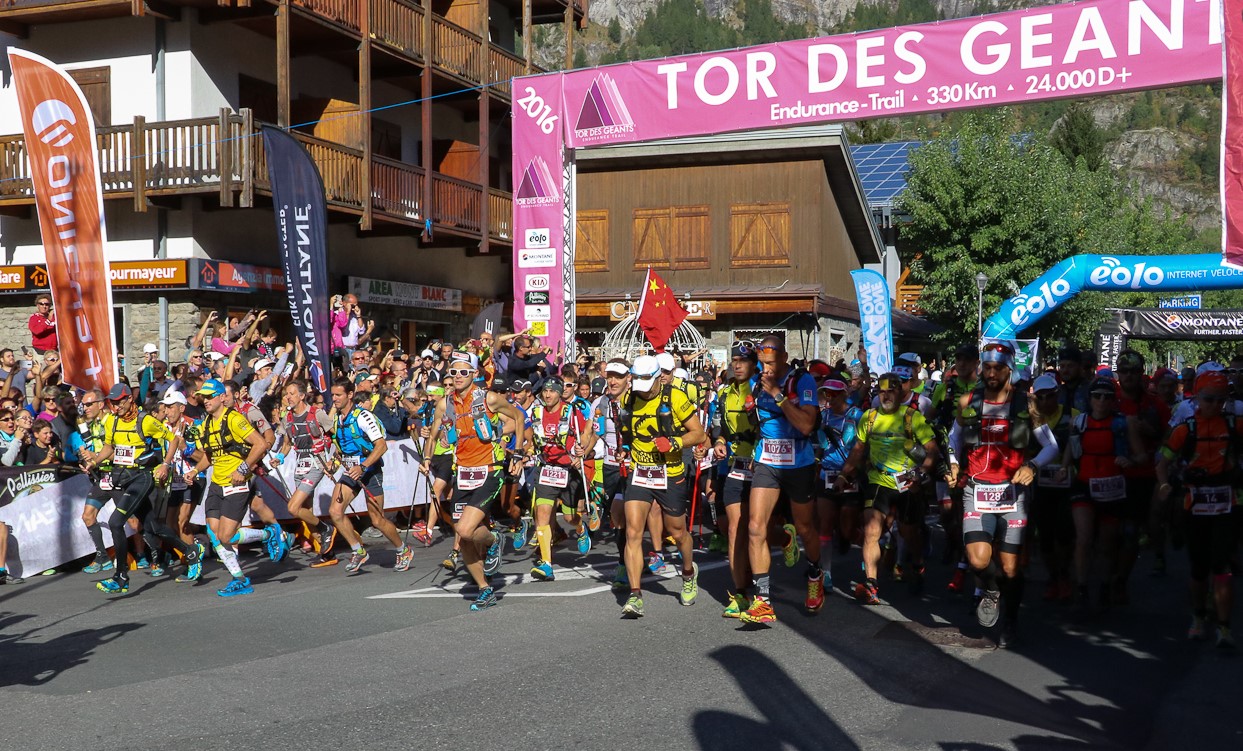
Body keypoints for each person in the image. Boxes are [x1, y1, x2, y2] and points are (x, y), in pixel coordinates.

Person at [950, 342, 1060, 647]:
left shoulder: (1026, 404)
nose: (991, 373)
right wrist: (954, 462)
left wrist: (1033, 466)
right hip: (977, 490)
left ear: (1009, 370)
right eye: (987, 367)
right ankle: (991, 589)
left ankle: (1010, 621)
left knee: (1011, 567)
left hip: (1012, 494)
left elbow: (1051, 446)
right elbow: (953, 438)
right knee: (978, 560)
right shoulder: (968, 401)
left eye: (998, 368)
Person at [421, 352, 527, 611]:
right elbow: (433, 435)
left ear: (474, 374)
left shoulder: (489, 398)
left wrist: (517, 452)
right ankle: (484, 589)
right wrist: (427, 458)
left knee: (467, 530)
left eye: (463, 372)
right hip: (463, 473)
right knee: (463, 535)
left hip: (489, 471)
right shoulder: (445, 404)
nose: (457, 377)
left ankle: (494, 540)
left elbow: (519, 418)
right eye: (453, 372)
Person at [617, 355, 706, 619]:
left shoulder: (676, 397)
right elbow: (628, 431)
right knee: (633, 531)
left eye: (647, 386)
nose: (643, 392)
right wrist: (624, 449)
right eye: (639, 386)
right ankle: (635, 595)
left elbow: (699, 434)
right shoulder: (628, 398)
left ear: (658, 378)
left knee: (677, 531)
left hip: (670, 473)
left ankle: (688, 572)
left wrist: (674, 443)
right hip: (640, 472)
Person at [839, 373, 940, 606]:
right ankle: (871, 584)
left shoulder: (912, 417)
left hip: (908, 482)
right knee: (871, 530)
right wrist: (844, 474)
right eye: (881, 391)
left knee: (908, 533)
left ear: (899, 393)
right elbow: (858, 449)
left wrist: (921, 474)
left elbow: (932, 450)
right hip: (878, 481)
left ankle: (917, 564)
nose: (885, 396)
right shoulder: (869, 417)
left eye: (890, 391)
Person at [1156, 369, 1237, 649]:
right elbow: (1162, 462)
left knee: (1222, 565)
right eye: (1209, 399)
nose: (1215, 405)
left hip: (1227, 504)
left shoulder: (1235, 425)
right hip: (1195, 505)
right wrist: (1164, 485)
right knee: (1200, 568)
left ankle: (1224, 628)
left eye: (1221, 400)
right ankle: (1199, 617)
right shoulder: (1185, 429)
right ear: (1197, 399)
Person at [82, 383, 182, 595]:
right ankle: (190, 551)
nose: (116, 406)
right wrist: (94, 462)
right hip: (121, 477)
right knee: (152, 525)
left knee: (116, 522)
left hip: (143, 477)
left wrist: (165, 464)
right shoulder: (112, 421)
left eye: (120, 402)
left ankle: (121, 576)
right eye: (113, 402)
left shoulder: (145, 420)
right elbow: (109, 448)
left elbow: (173, 439)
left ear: (129, 399)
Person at [182, 378, 276, 597]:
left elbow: (260, 444)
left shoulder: (234, 419)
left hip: (236, 484)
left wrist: (242, 469)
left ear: (222, 397)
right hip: (217, 484)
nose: (206, 401)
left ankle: (268, 534)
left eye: (210, 397)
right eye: (203, 397)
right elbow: (209, 455)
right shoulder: (206, 423)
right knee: (214, 534)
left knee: (226, 536)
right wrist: (195, 471)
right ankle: (239, 578)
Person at [1060, 376, 1143, 614]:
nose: (1102, 401)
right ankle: (1082, 588)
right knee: (1084, 538)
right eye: (1097, 396)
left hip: (1113, 488)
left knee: (1107, 544)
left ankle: (1106, 585)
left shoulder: (1124, 423)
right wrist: (1064, 467)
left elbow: (1142, 456)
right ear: (1090, 398)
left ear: (1113, 400)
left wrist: (1130, 461)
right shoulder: (1079, 422)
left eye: (1107, 397)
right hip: (1084, 486)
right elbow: (1071, 447)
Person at [326, 378, 413, 573]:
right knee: (335, 511)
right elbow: (342, 448)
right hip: (351, 471)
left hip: (370, 471)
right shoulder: (337, 418)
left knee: (377, 520)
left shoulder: (363, 416)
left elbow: (381, 446)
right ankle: (358, 550)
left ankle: (403, 549)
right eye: (333, 395)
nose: (334, 399)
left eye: (338, 395)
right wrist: (334, 463)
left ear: (350, 395)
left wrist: (363, 467)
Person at [527, 375, 596, 581]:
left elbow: (588, 434)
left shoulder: (571, 412)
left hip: (569, 469)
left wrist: (581, 451)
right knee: (542, 514)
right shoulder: (537, 412)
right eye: (545, 391)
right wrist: (527, 451)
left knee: (569, 518)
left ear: (559, 393)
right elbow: (531, 439)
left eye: (552, 391)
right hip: (547, 469)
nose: (548, 395)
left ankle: (580, 528)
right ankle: (547, 564)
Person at [712, 343, 761, 617]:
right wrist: (719, 441)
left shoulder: (762, 390)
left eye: (743, 360)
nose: (738, 365)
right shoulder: (725, 393)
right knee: (735, 529)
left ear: (754, 364)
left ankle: (784, 539)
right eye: (734, 360)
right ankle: (741, 592)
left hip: (763, 467)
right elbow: (720, 427)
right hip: (736, 466)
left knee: (760, 530)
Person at [271, 380, 338, 566]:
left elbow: (335, 435)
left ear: (302, 396)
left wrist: (333, 459)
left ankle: (326, 529)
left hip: (316, 463)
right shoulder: (288, 418)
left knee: (293, 508)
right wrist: (279, 458)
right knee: (305, 512)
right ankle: (328, 553)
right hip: (300, 464)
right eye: (286, 394)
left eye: (292, 393)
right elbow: (287, 444)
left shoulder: (317, 414)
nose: (288, 397)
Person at [816, 370, 863, 593]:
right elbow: (819, 445)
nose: (831, 397)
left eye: (835, 393)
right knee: (825, 524)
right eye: (827, 393)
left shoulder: (858, 415)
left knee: (847, 527)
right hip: (826, 474)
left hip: (850, 476)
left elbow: (862, 447)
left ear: (845, 393)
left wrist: (850, 472)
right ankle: (825, 573)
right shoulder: (823, 416)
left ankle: (867, 547)